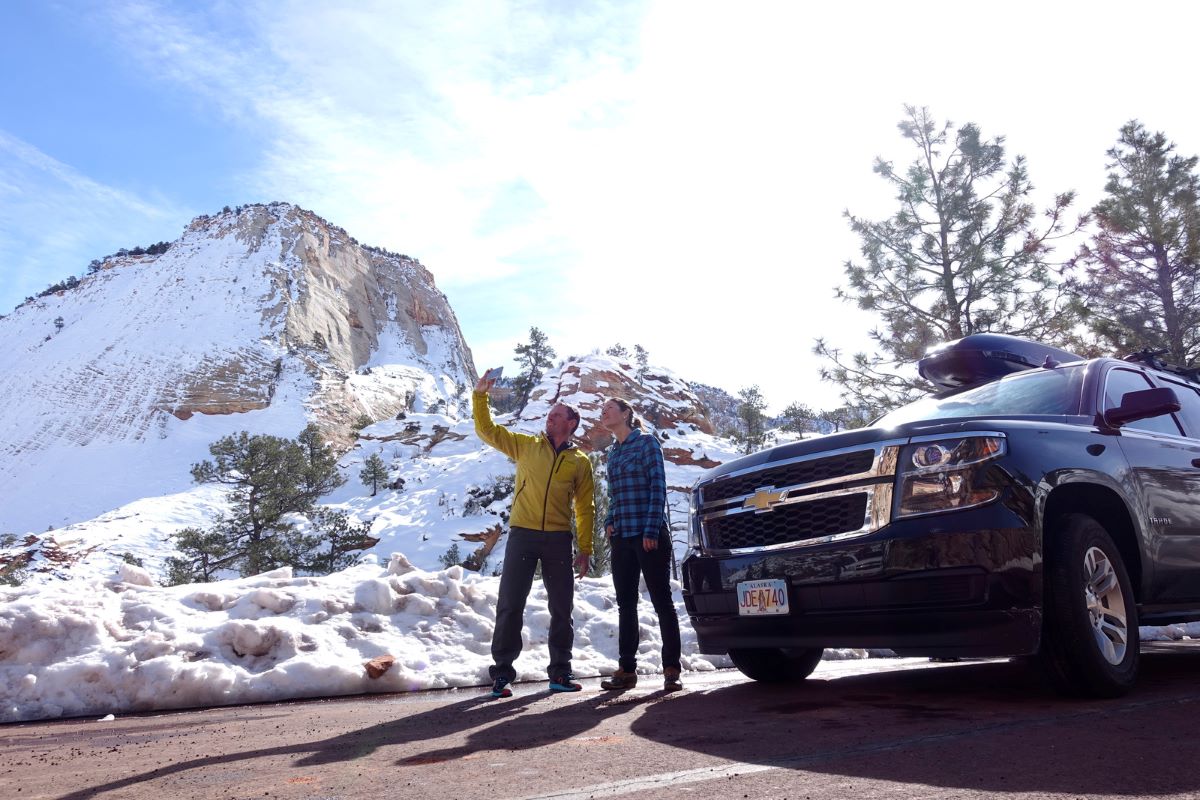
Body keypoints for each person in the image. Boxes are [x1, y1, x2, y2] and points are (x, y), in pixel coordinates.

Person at [473, 372, 595, 698]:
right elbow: (487, 430)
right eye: (549, 415)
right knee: (511, 604)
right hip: (522, 535)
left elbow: (585, 508)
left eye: (556, 416)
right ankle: (501, 675)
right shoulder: (527, 446)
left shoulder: (580, 462)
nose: (549, 419)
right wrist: (480, 396)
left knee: (561, 609)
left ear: (571, 424)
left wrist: (585, 548)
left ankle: (560, 673)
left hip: (558, 540)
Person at [597, 397, 683, 692]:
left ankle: (671, 668)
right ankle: (627, 670)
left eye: (609, 408)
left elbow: (657, 486)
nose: (603, 412)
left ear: (625, 414)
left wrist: (650, 530)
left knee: (662, 602)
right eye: (602, 410)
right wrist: (609, 521)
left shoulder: (647, 443)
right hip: (621, 537)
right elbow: (613, 493)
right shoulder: (613, 453)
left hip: (649, 535)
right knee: (626, 604)